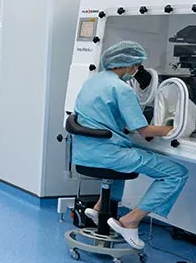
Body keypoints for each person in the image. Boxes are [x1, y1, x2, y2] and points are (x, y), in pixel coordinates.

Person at [72, 40, 188, 250]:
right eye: (136, 66)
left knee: (126, 155)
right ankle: (130, 221)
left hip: (84, 153)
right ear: (128, 65)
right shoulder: (122, 89)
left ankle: (99, 208)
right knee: (177, 173)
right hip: (108, 155)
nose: (136, 71)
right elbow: (144, 131)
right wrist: (173, 128)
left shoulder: (92, 82)